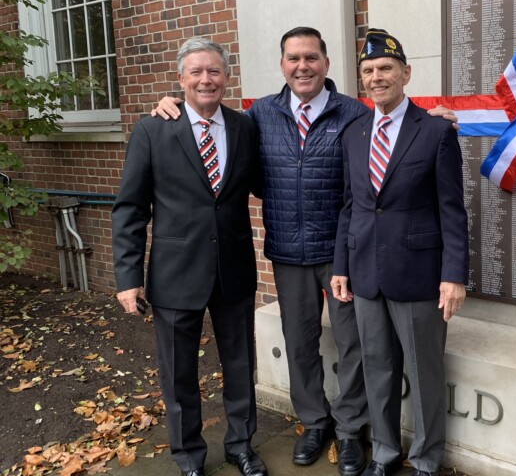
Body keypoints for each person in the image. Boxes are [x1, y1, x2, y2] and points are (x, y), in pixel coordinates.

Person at [153, 27, 457, 476]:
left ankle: (352, 430)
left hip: (346, 255)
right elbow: (212, 131)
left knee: (356, 346)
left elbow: (395, 140)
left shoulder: (354, 114)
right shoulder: (259, 117)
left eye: (311, 57)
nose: (302, 66)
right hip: (288, 251)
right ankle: (315, 423)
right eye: (293, 58)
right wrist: (169, 106)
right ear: (282, 65)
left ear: (326, 64)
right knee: (300, 345)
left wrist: (439, 120)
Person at [112, 37, 268, 476]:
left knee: (240, 365)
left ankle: (241, 445)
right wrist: (128, 276)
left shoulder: (244, 127)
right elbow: (130, 207)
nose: (206, 79)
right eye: (196, 72)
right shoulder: (152, 130)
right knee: (179, 373)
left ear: (227, 77)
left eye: (214, 71)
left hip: (233, 268)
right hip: (175, 272)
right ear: (181, 79)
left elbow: (260, 183)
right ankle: (188, 455)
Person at [331, 29, 469, 476]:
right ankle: (386, 453)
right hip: (366, 272)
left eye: (386, 68)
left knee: (424, 372)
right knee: (377, 368)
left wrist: (454, 275)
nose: (377, 77)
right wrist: (341, 267)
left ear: (405, 73)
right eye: (368, 71)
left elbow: (452, 210)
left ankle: (427, 460)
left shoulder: (434, 131)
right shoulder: (354, 134)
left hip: (418, 275)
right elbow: (350, 205)